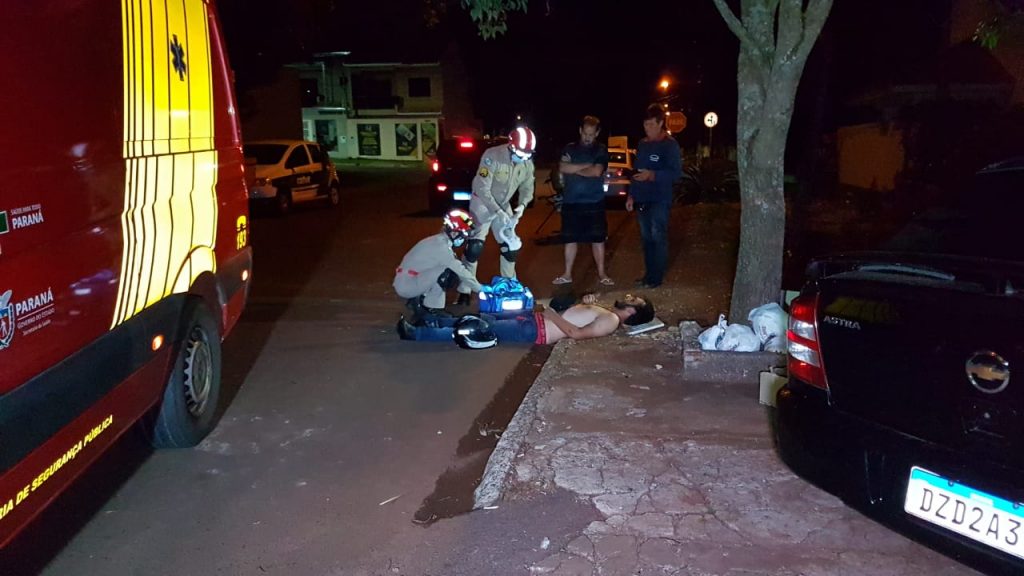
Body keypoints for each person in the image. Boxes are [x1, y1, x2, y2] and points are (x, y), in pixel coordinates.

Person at [455, 126, 537, 305]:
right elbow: (481, 187)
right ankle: (464, 290)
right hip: (482, 203)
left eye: (527, 154)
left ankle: (509, 284)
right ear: (511, 146)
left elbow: (528, 187)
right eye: (521, 153)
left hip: (504, 204)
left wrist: (521, 206)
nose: (524, 158)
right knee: (474, 247)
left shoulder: (526, 162)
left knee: (510, 246)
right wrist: (498, 211)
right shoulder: (492, 156)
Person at [397, 293, 655, 346]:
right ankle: (433, 324)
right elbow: (576, 317)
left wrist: (550, 313)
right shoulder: (606, 312)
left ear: (632, 314)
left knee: (479, 331)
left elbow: (575, 334)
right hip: (534, 321)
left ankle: (417, 334)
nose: (630, 296)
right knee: (480, 320)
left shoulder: (610, 321)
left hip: (535, 329)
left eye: (635, 301)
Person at [626, 104, 682, 288]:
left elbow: (675, 173)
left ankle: (656, 278)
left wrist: (653, 175)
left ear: (660, 123)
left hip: (659, 198)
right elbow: (636, 171)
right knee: (646, 238)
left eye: (651, 124)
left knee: (658, 236)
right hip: (642, 198)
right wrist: (631, 196)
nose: (647, 128)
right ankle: (648, 275)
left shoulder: (669, 145)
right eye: (645, 125)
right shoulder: (643, 144)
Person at [553, 115, 612, 286]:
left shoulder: (600, 150)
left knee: (598, 239)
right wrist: (586, 166)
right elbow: (563, 167)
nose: (588, 137)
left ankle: (602, 274)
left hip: (594, 202)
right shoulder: (569, 148)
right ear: (580, 131)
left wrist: (574, 169)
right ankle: (567, 273)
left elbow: (596, 172)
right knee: (570, 239)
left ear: (597, 133)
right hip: (571, 202)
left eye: (591, 134)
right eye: (585, 133)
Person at [393, 209, 482, 321]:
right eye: (462, 235)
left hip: (407, 281)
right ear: (454, 232)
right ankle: (433, 308)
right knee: (449, 272)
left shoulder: (436, 241)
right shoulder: (441, 247)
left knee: (442, 269)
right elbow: (461, 271)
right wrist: (481, 289)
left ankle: (418, 302)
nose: (463, 239)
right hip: (408, 284)